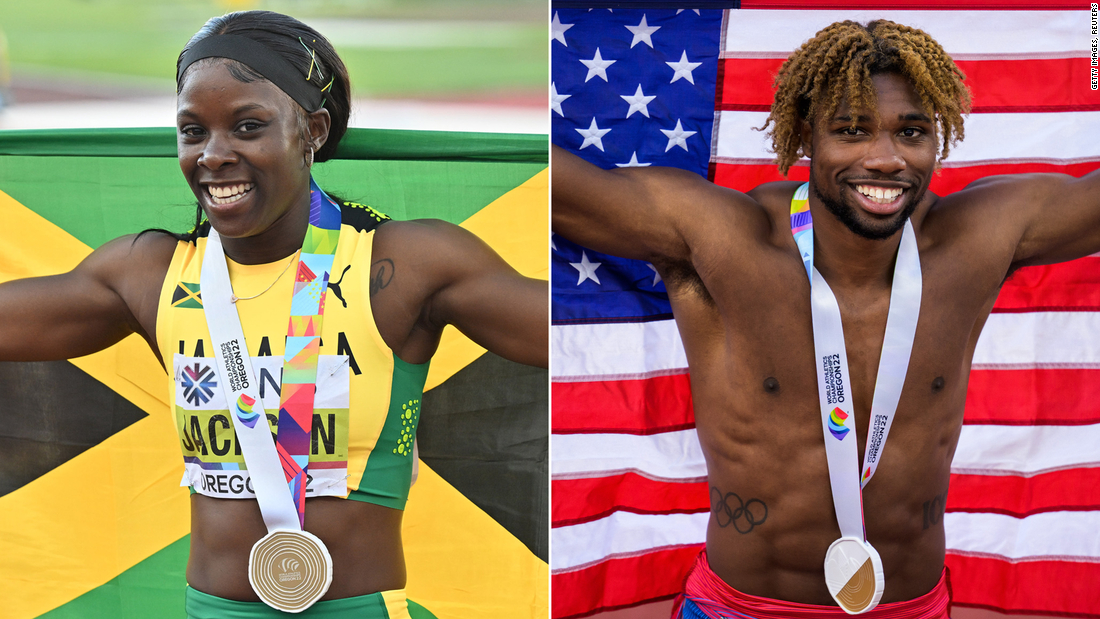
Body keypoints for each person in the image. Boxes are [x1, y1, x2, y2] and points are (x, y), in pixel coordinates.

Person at [0, 10, 546, 619]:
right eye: (191, 131)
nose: (212, 155)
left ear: (311, 129)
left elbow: (581, 342)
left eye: (248, 126)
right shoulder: (149, 274)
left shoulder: (402, 264)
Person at [552, 19, 1100, 618]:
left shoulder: (979, 238)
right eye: (852, 131)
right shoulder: (723, 238)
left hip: (909, 608)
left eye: (911, 133)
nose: (886, 159)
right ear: (807, 134)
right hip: (741, 607)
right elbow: (556, 185)